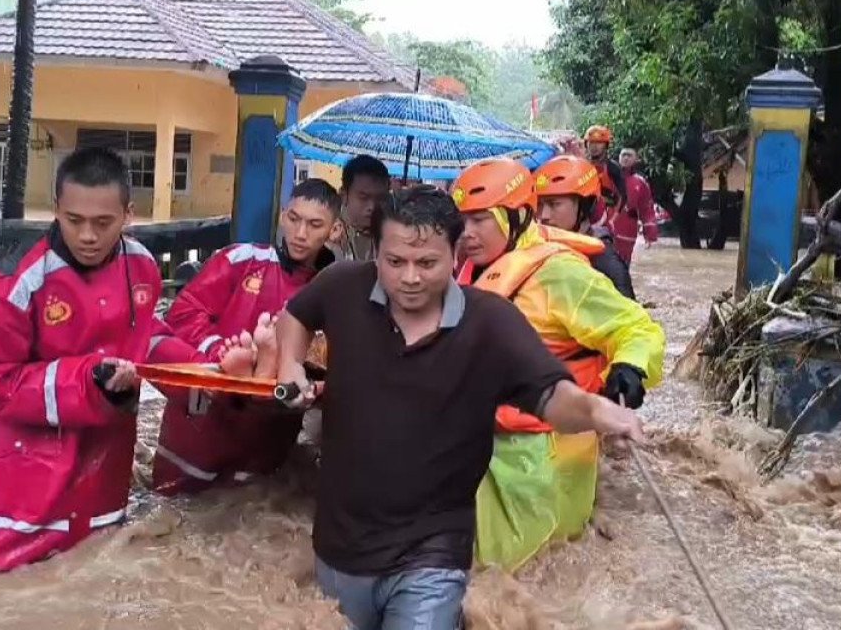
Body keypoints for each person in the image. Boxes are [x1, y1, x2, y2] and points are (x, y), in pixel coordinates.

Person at [272, 185, 646, 630]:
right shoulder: (341, 286)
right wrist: (289, 367)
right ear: (377, 251)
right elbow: (295, 316)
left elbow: (553, 399)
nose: (409, 277)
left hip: (432, 554)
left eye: (427, 263)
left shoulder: (491, 323)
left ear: (455, 254)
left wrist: (600, 412)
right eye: (395, 262)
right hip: (340, 549)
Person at [0, 147, 162, 576]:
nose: (87, 235)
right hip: (14, 480)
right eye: (73, 220)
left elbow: (149, 340)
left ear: (128, 215)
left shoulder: (142, 267)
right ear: (56, 210)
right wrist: (89, 381)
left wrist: (208, 365)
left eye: (103, 223)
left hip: (99, 473)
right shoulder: (14, 280)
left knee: (89, 583)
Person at [451, 157, 665, 571]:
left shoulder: (559, 273)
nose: (467, 233)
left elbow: (637, 328)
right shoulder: (472, 268)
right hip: (486, 441)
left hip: (545, 451)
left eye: (480, 220)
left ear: (514, 217)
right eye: (462, 221)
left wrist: (630, 368)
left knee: (516, 573)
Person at [146, 178, 340, 495]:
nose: (301, 233)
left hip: (268, 434)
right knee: (174, 505)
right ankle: (255, 364)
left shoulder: (333, 290)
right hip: (204, 423)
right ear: (281, 216)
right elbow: (184, 312)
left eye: (315, 224)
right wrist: (221, 351)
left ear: (334, 231)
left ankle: (264, 365)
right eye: (294, 219)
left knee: (248, 508)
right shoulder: (241, 259)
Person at [534, 153, 636, 299]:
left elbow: (631, 317)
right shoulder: (534, 248)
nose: (543, 215)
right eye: (539, 205)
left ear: (585, 206)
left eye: (554, 204)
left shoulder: (604, 261)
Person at [332, 154, 391, 261]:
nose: (372, 207)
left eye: (380, 198)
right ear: (344, 195)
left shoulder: (391, 234)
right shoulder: (330, 233)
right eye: (363, 197)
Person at [613, 148, 661, 265]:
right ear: (619, 157)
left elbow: (647, 209)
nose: (625, 158)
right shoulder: (609, 177)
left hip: (628, 231)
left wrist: (650, 233)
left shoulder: (641, 182)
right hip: (607, 229)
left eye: (629, 156)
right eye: (623, 155)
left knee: (623, 267)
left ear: (636, 159)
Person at [582, 124, 628, 230]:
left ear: (606, 145)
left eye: (599, 143)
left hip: (606, 217)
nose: (594, 146)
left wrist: (613, 219)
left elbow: (623, 196)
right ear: (586, 144)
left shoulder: (613, 168)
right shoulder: (582, 166)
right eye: (591, 142)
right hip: (584, 216)